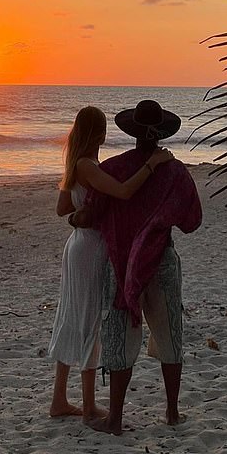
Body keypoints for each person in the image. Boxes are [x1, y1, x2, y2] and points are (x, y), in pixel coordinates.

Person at [83, 99, 202, 436]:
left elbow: (94, 210)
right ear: (162, 134)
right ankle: (172, 412)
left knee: (120, 336)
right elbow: (192, 221)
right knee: (170, 335)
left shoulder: (115, 168)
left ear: (132, 133)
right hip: (161, 258)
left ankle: (116, 418)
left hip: (121, 263)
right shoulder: (175, 171)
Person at [48, 105, 173, 423]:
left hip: (78, 246)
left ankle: (60, 399)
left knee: (73, 316)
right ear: (100, 133)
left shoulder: (78, 165)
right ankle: (87, 405)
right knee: (90, 319)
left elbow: (63, 208)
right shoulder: (88, 165)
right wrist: (152, 163)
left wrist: (81, 214)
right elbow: (123, 192)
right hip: (90, 250)